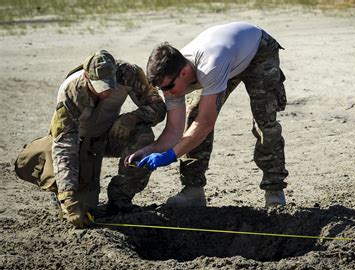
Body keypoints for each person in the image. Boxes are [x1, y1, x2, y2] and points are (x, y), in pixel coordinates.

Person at [125, 22, 288, 208]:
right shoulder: (171, 80)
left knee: (265, 123)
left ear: (184, 73)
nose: (167, 93)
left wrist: (171, 155)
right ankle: (193, 190)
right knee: (193, 115)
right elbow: (173, 131)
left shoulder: (209, 67)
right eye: (162, 89)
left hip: (259, 52)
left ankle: (274, 189)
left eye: (168, 87)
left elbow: (205, 123)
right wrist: (150, 150)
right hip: (228, 58)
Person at [50, 49, 166, 228]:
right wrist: (69, 198)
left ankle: (120, 198)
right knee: (82, 210)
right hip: (78, 144)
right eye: (101, 87)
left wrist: (131, 118)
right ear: (87, 79)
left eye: (109, 85)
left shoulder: (129, 73)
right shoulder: (70, 92)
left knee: (142, 136)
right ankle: (59, 190)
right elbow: (64, 146)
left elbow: (158, 107)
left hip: (108, 136)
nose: (106, 92)